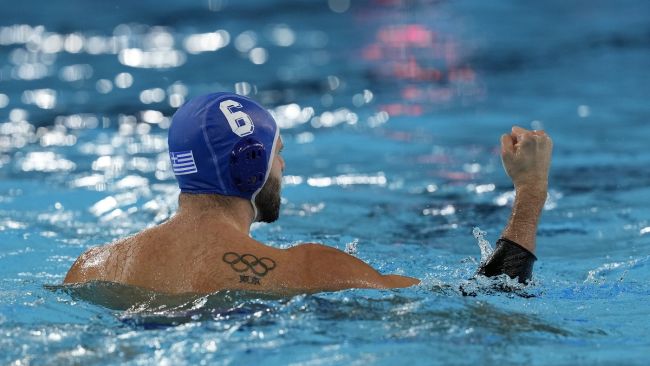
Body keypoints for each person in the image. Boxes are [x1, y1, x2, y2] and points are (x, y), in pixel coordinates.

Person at [64, 92, 552, 295]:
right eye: (277, 152)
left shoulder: (91, 267)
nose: (283, 165)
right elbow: (494, 312)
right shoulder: (310, 270)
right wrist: (530, 192)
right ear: (249, 165)